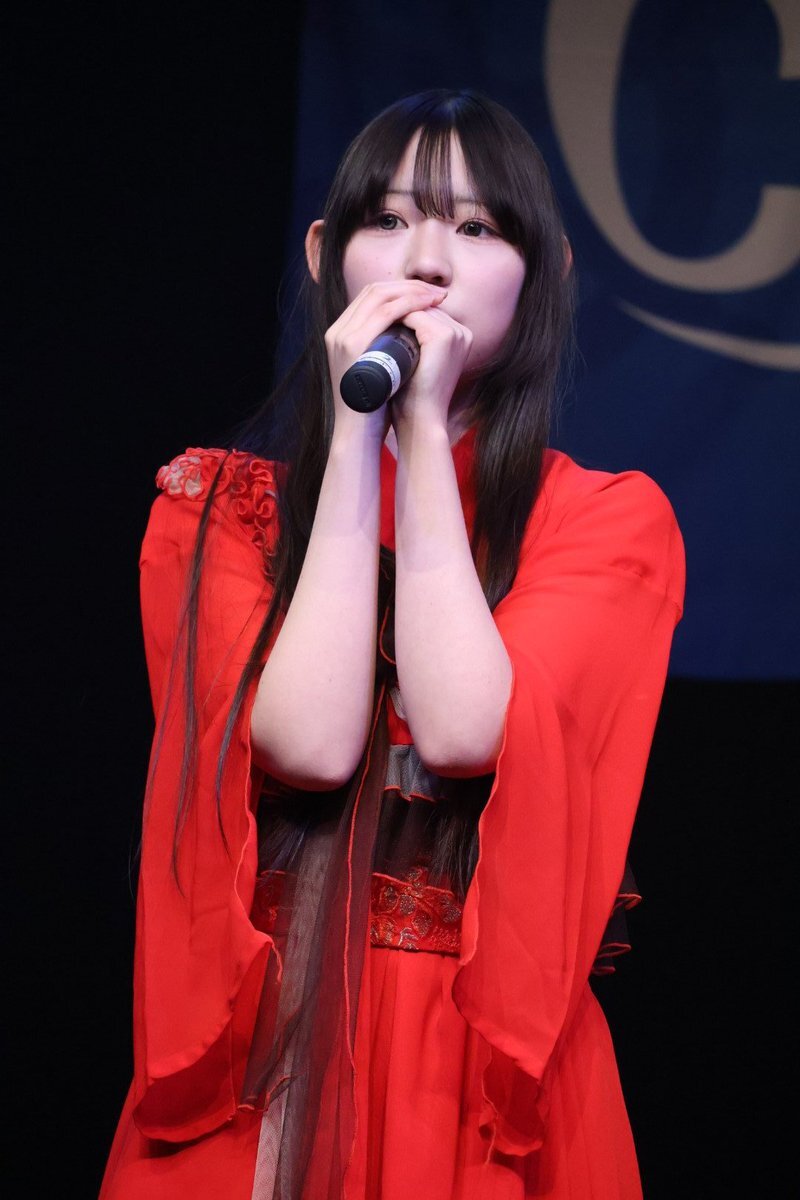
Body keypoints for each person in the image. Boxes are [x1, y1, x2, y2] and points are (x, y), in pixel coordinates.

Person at [100, 89, 685, 1200]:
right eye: (390, 219)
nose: (425, 259)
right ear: (326, 255)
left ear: (547, 272)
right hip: (261, 1062)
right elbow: (311, 746)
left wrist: (420, 428)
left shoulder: (605, 524)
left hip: (474, 1076)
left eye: (475, 227)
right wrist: (357, 436)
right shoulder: (215, 511)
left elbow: (463, 731)